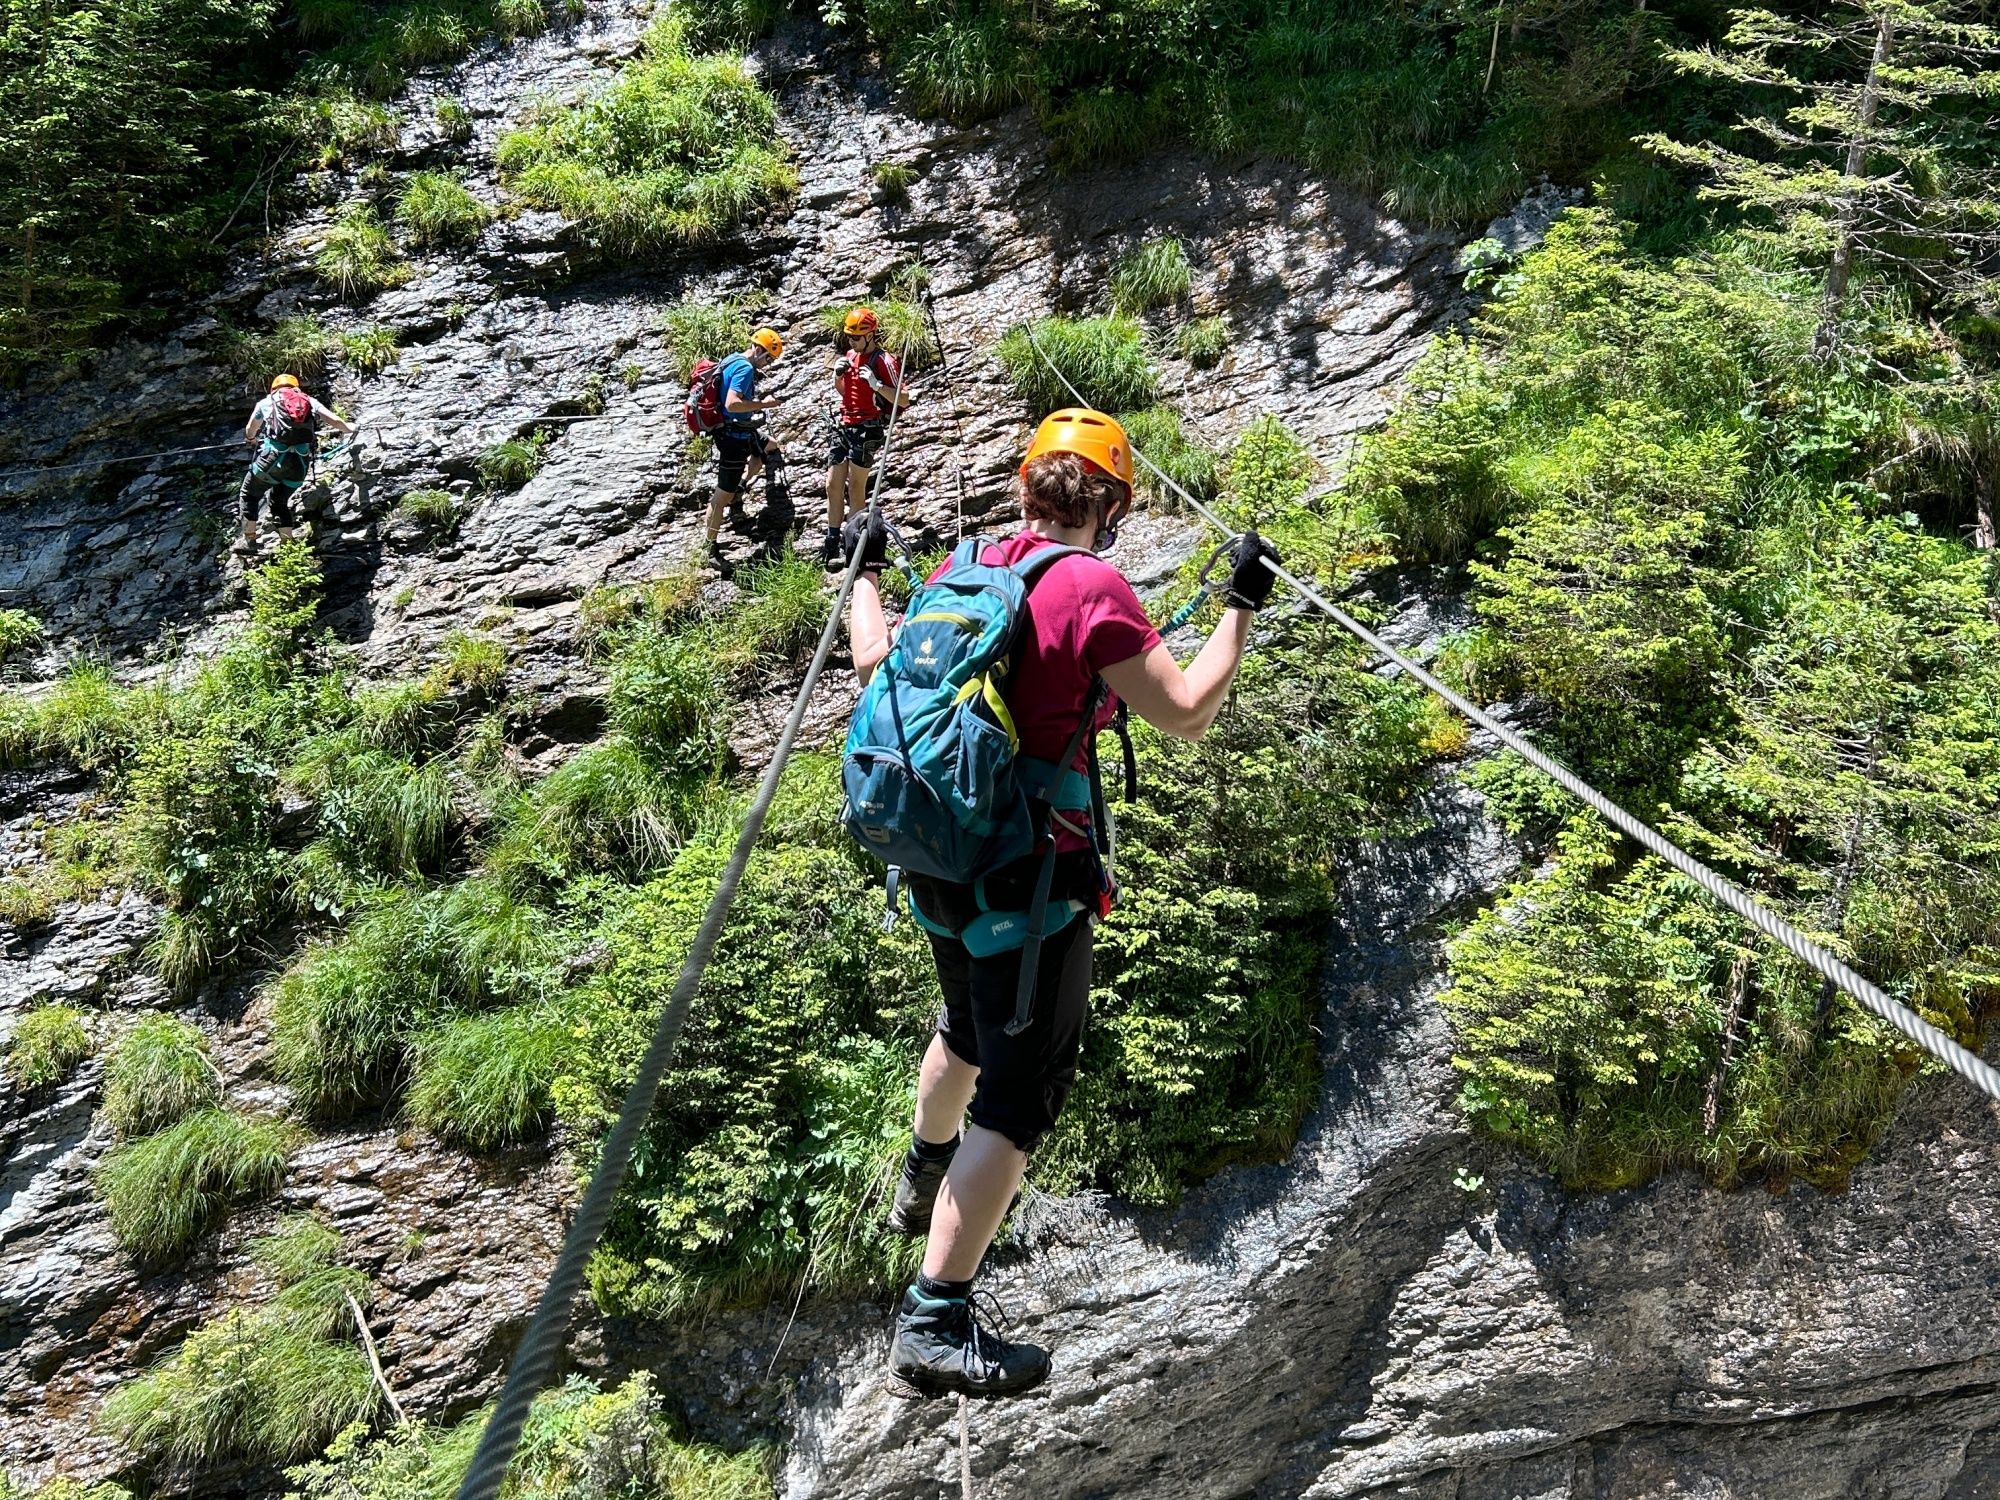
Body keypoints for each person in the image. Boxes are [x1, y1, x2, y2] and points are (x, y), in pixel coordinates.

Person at [843, 407, 1281, 1399]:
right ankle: (935, 1318)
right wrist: (1239, 605)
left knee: (963, 1026)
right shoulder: (1090, 587)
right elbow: (1187, 712)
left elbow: (874, 665)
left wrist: (863, 575)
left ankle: (924, 1169)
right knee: (1017, 1098)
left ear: (1027, 485)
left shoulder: (968, 568)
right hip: (1029, 882)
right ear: (1112, 505)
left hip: (937, 860)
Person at [821, 307, 910, 567]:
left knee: (855, 486)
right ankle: (832, 540)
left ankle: (852, 544)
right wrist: (837, 376)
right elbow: (846, 392)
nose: (852, 342)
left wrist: (877, 385)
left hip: (867, 428)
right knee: (832, 484)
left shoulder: (884, 361)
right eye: (849, 337)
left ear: (870, 335)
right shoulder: (850, 356)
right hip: (844, 425)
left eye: (856, 337)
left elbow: (903, 398)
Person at [238, 374, 351, 554]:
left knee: (249, 495)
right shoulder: (308, 401)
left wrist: (251, 439)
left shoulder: (266, 402)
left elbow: (251, 429)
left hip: (271, 460)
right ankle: (287, 546)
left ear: (274, 388)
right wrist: (349, 428)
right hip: (299, 464)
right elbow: (334, 420)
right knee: (279, 502)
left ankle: (250, 542)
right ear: (295, 387)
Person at [702, 327, 787, 562]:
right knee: (721, 497)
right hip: (733, 439)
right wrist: (764, 405)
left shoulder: (732, 358)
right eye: (769, 358)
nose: (768, 364)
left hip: (739, 430)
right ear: (759, 350)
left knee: (769, 446)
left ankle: (741, 486)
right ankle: (709, 549)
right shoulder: (746, 369)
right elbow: (732, 403)